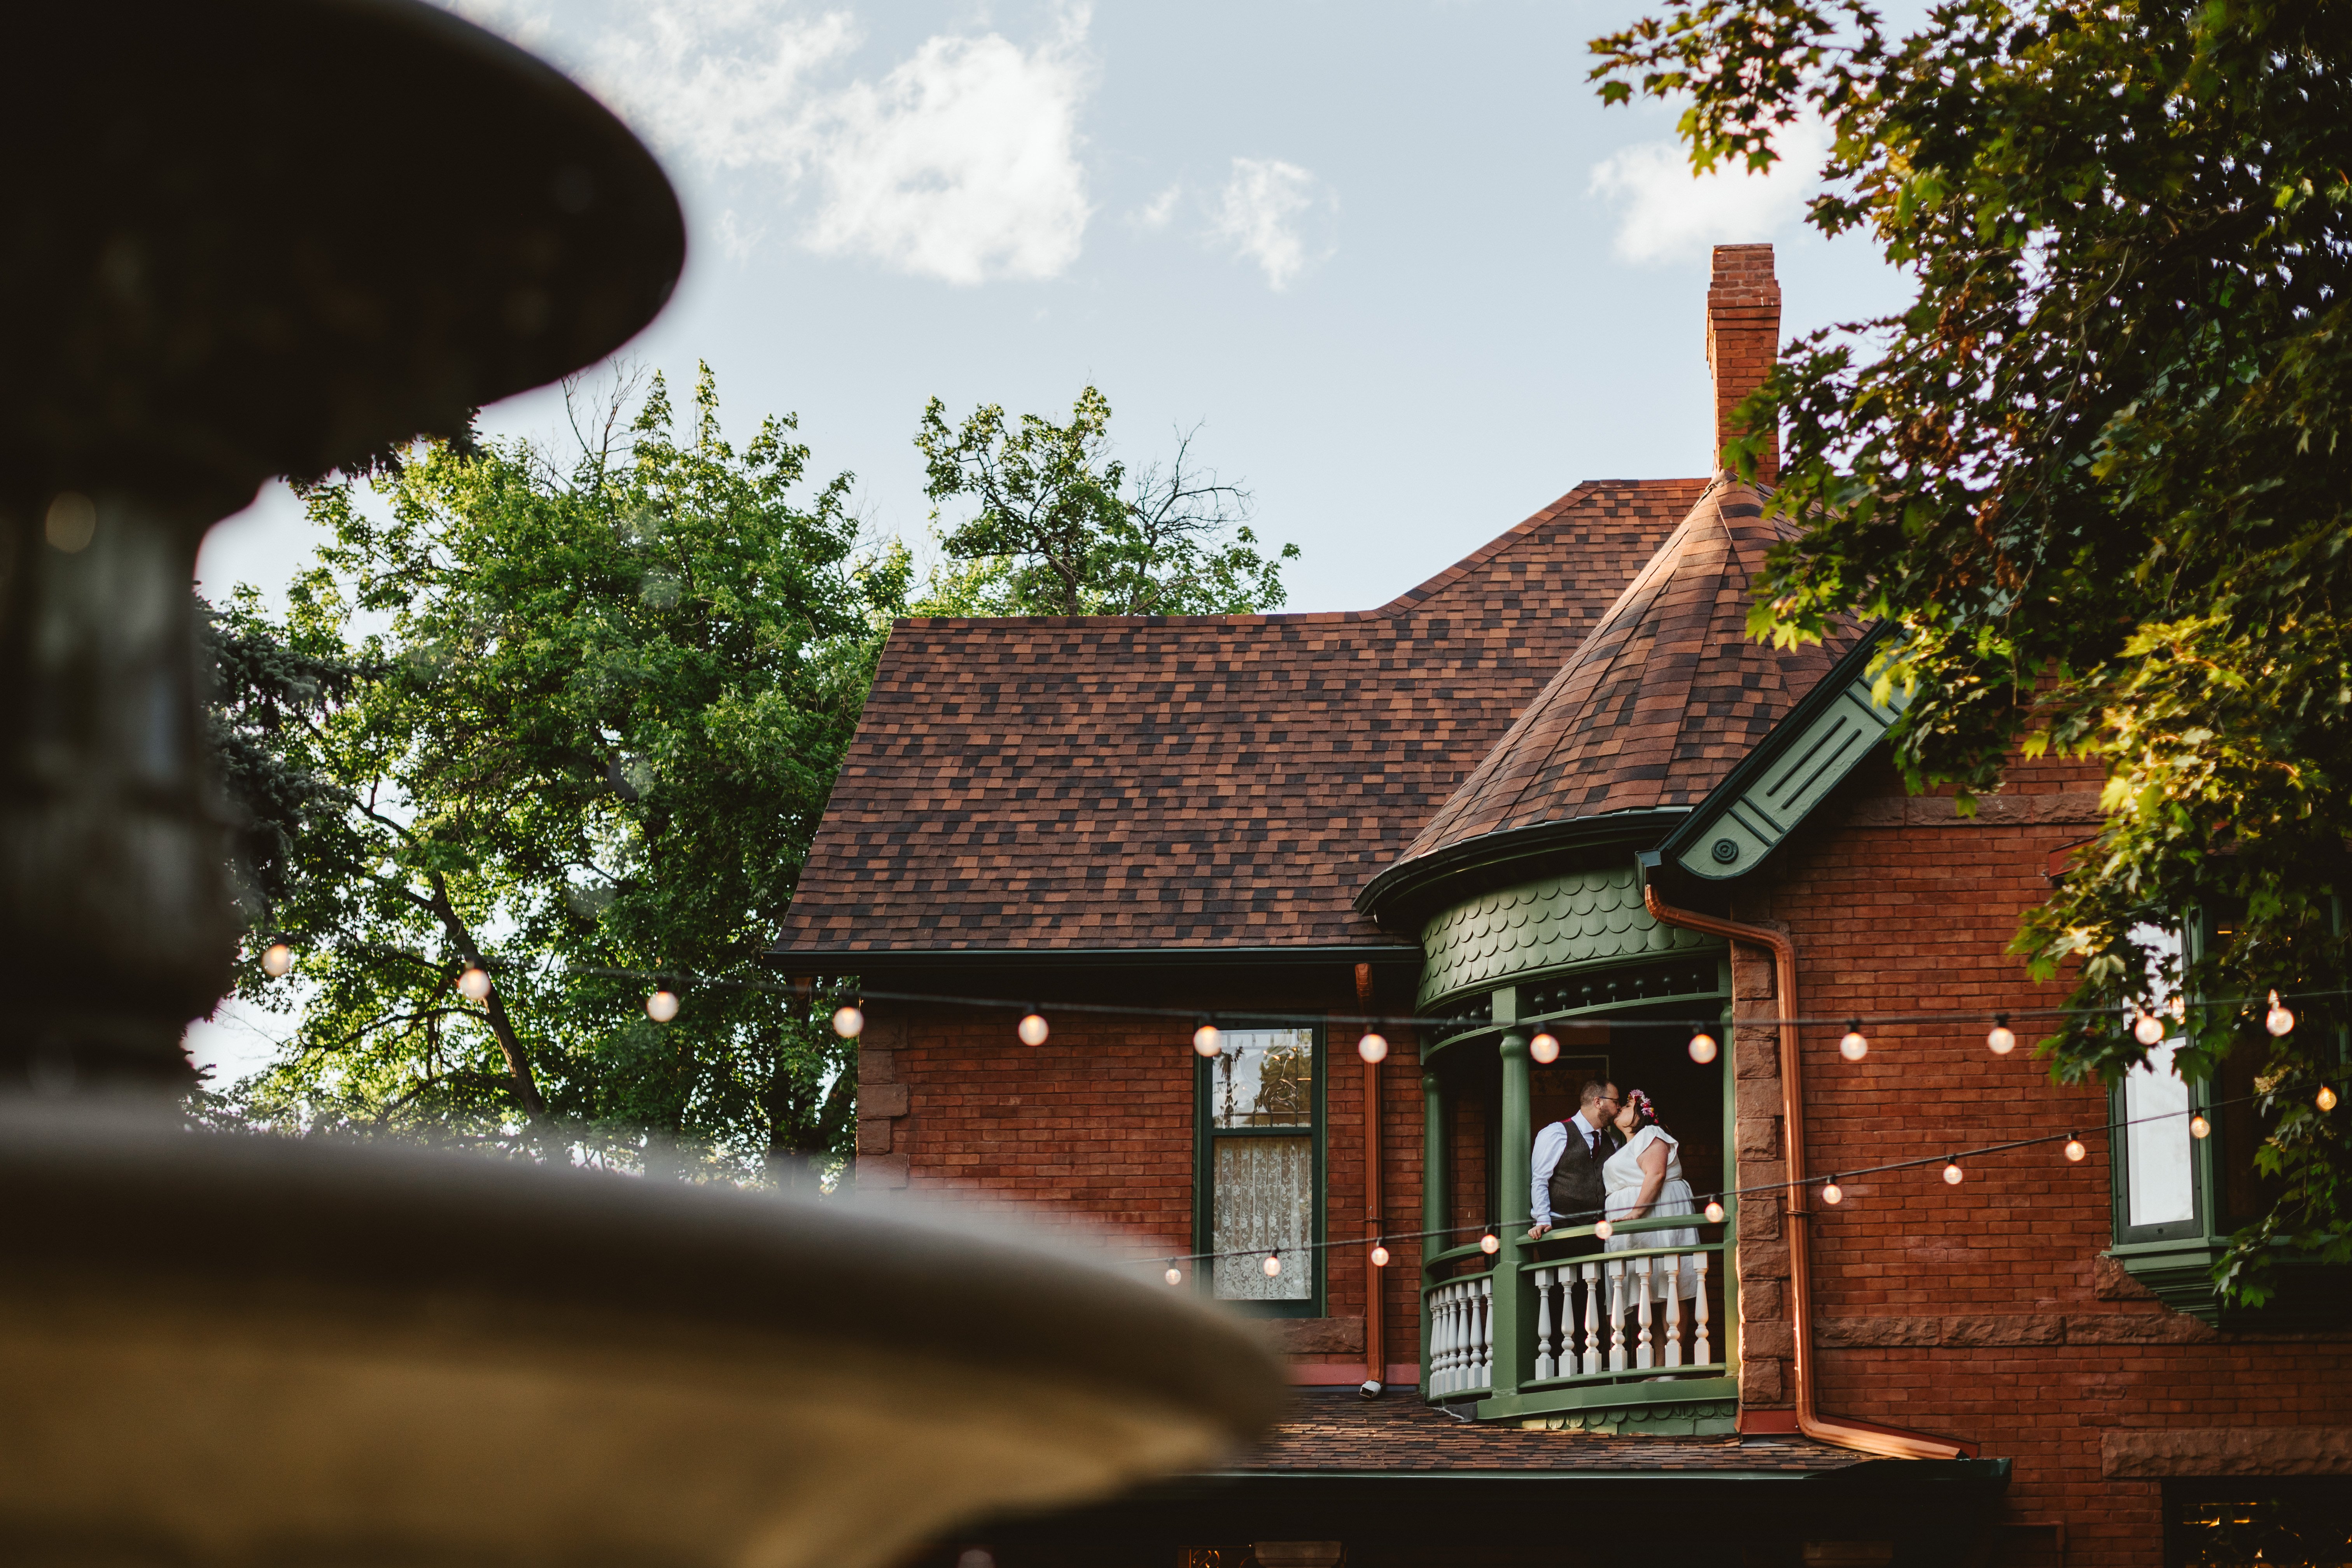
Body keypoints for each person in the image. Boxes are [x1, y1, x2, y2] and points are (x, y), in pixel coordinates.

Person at [1601, 1088, 1701, 1299]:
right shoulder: (1623, 1147)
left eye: (1627, 1106)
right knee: (1650, 1295)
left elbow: (1656, 1174)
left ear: (1642, 1114)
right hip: (1639, 1232)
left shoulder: (1650, 1134)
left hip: (1655, 1221)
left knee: (1670, 1287)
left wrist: (1635, 1213)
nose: (1620, 1108)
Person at [1527, 1081, 1620, 1241]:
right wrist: (1542, 1218)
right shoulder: (1556, 1133)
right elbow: (1540, 1180)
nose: (1619, 1107)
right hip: (1561, 1231)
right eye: (1616, 1102)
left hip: (1600, 1233)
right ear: (1598, 1102)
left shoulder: (1612, 1142)